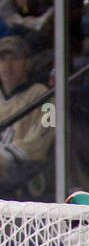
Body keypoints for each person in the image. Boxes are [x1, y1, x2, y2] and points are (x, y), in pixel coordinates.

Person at [0, 35, 52, 201]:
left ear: (27, 63)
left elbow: (43, 136)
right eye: (2, 59)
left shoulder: (43, 95)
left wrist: (5, 156)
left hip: (24, 182)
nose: (7, 66)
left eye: (14, 59)